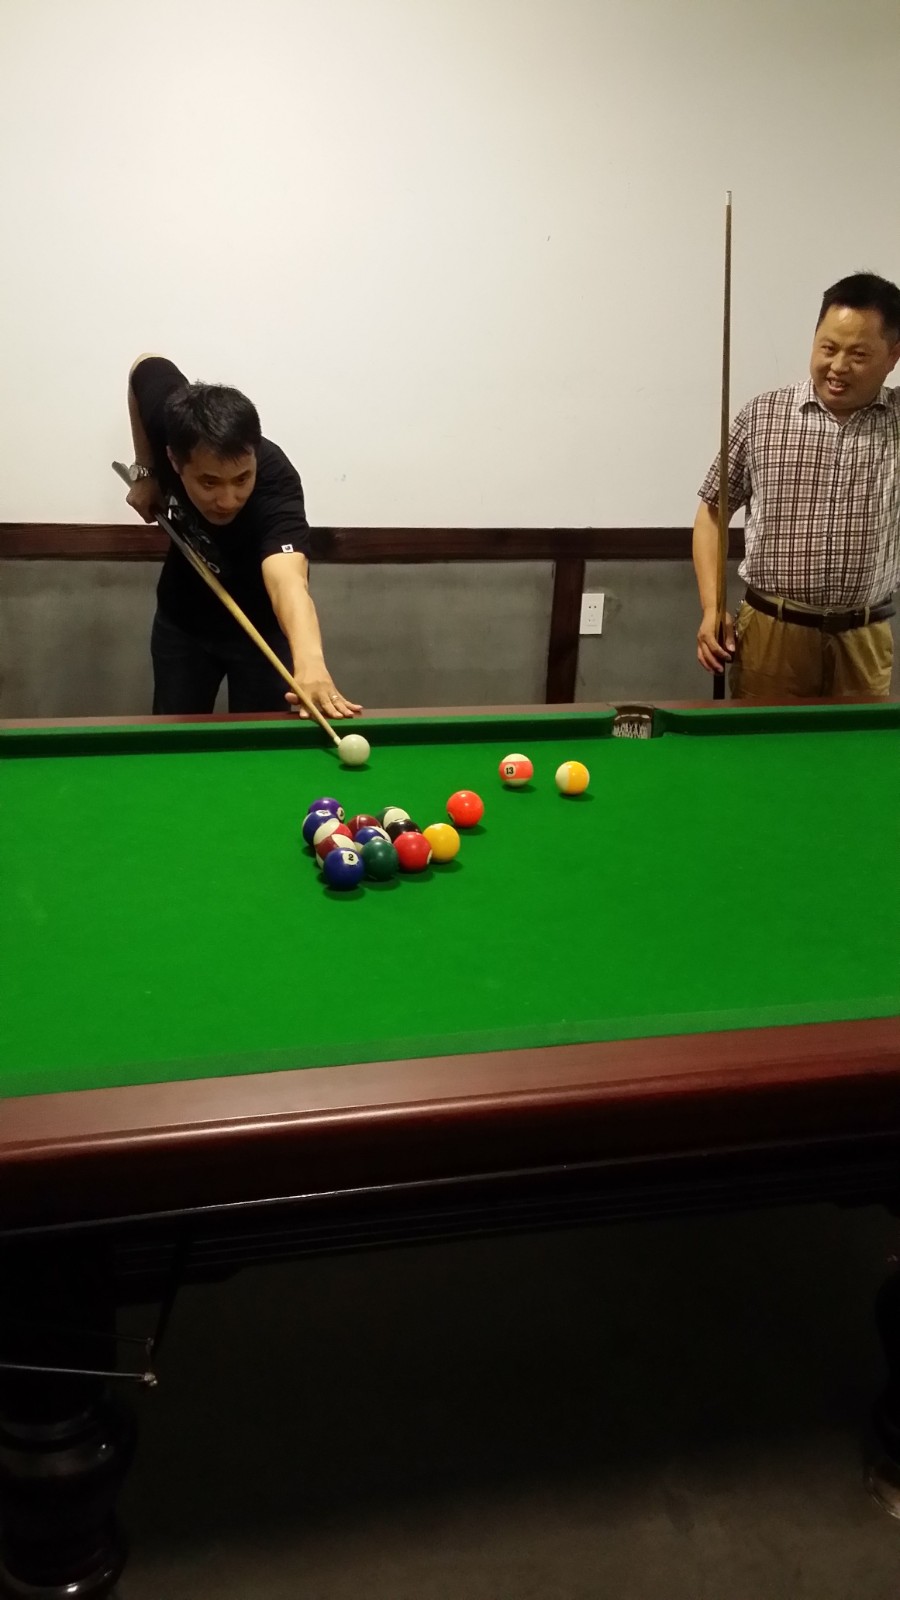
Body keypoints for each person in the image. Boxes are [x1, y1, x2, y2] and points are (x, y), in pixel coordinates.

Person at [693, 272, 900, 699]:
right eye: (828, 347)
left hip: (863, 639)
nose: (837, 366)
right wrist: (712, 607)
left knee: (861, 744)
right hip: (772, 633)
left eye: (859, 355)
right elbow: (712, 513)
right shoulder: (763, 415)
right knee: (762, 742)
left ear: (893, 356)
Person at [125, 355, 361, 718]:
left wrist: (311, 664)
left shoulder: (276, 483)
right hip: (183, 622)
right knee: (175, 737)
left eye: (241, 479)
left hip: (262, 633)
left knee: (263, 745)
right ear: (174, 459)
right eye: (209, 483)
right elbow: (142, 366)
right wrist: (145, 470)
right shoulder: (169, 421)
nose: (228, 500)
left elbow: (288, 582)